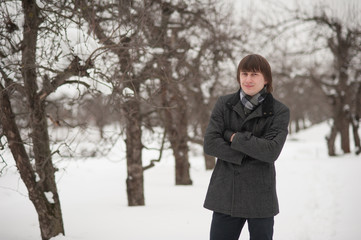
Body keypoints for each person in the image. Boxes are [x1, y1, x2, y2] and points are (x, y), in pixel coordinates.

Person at [203, 54, 290, 240]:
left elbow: (271, 151)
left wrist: (231, 136)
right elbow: (210, 143)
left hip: (260, 196)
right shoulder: (223, 104)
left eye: (254, 74)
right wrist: (247, 153)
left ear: (266, 79)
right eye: (244, 74)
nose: (248, 79)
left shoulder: (279, 111)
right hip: (226, 193)